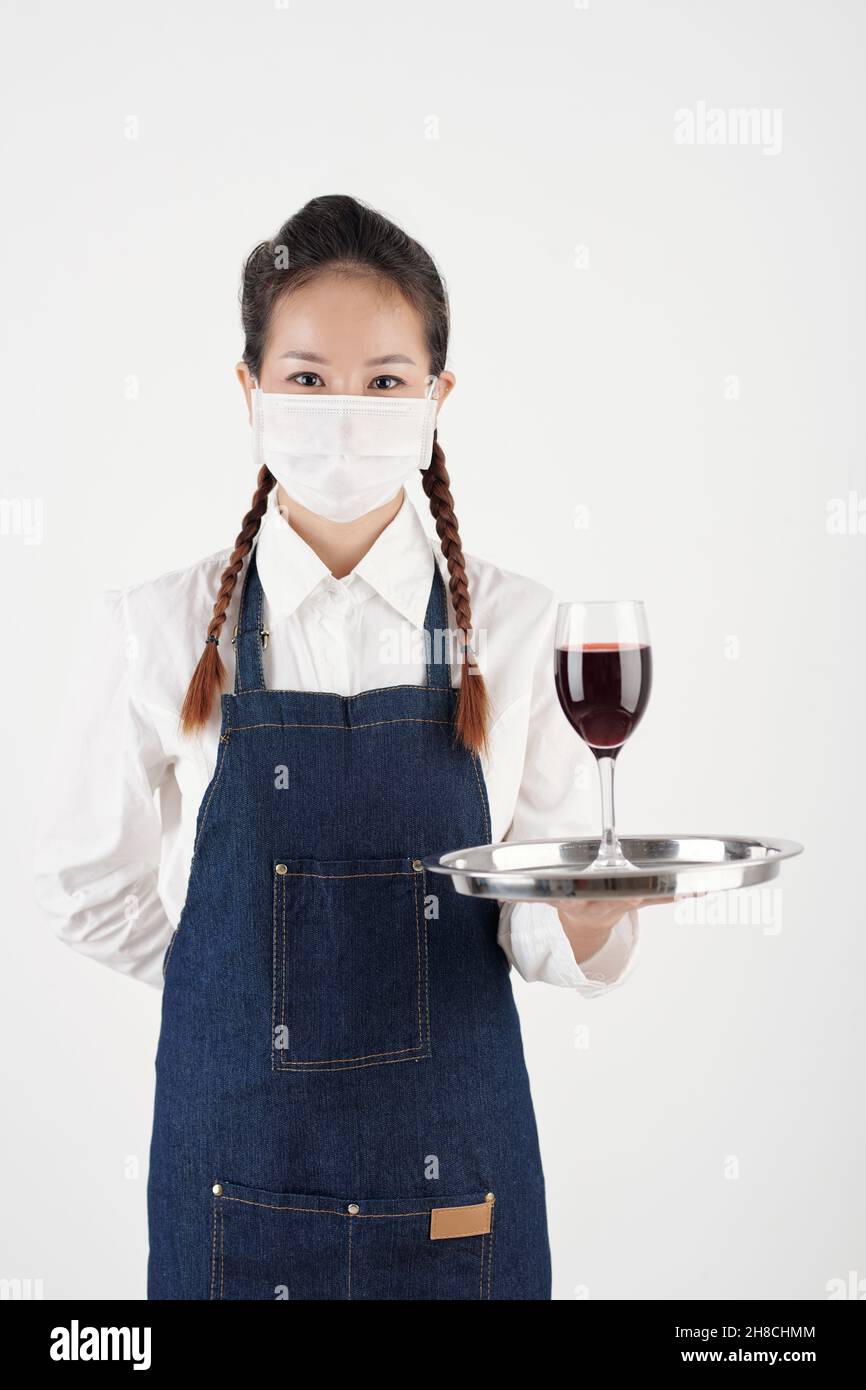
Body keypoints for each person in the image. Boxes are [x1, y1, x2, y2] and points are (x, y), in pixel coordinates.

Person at [34, 194, 656, 1301]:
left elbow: (534, 899)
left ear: (434, 400)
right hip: (233, 1171)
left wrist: (589, 914)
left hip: (457, 1180)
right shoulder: (158, 626)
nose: (344, 412)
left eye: (382, 382)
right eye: (308, 379)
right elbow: (85, 885)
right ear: (249, 392)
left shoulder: (518, 626)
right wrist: (232, 984)